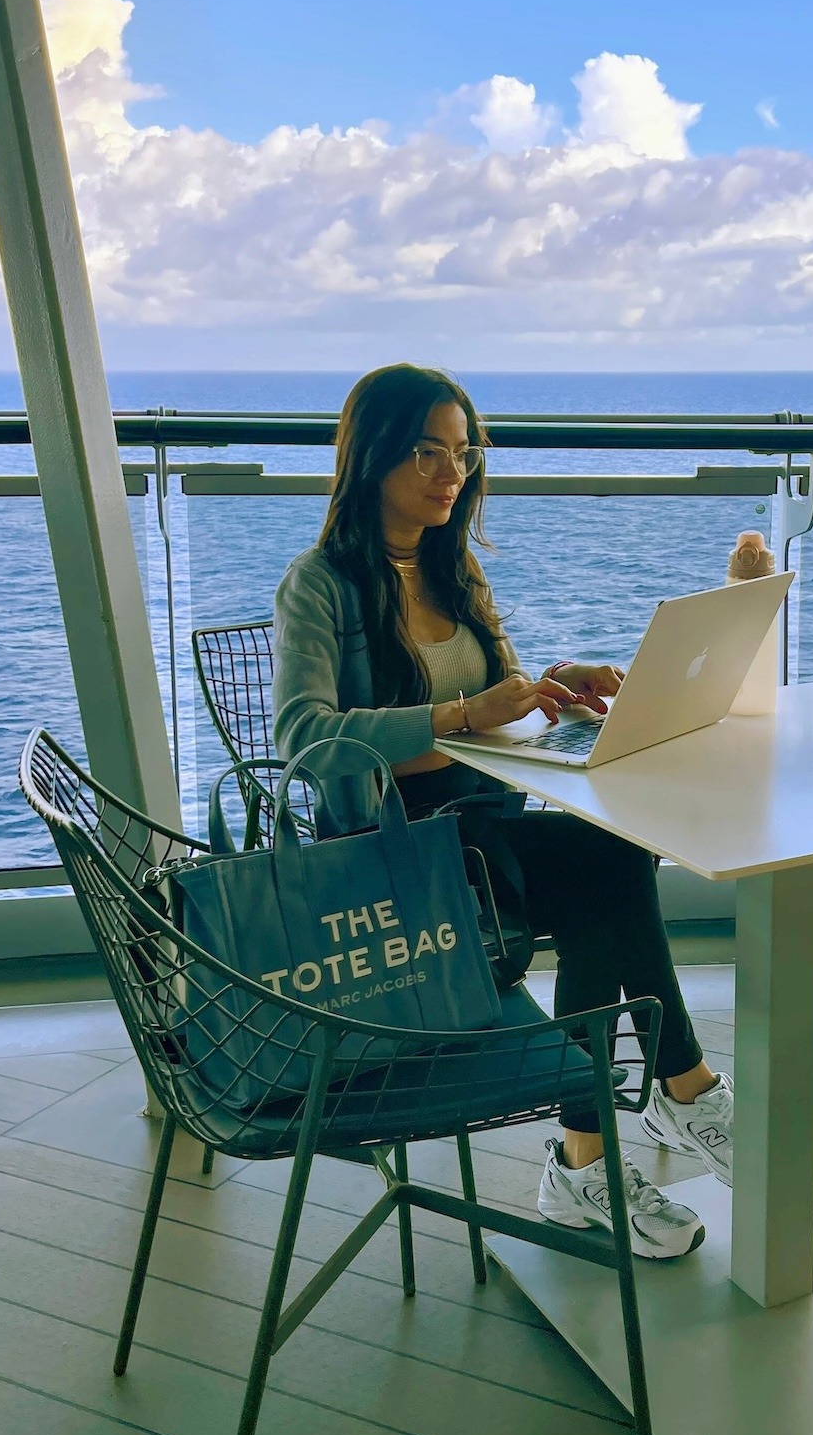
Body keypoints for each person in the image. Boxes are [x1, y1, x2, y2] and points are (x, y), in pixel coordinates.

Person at [272, 362, 733, 1260]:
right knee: (607, 866)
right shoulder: (320, 583)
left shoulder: (453, 568)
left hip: (478, 830)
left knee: (610, 856)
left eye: (464, 452)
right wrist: (460, 717)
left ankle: (602, 1148)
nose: (453, 474)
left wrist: (558, 682)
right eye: (427, 452)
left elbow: (496, 700)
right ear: (370, 458)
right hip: (394, 856)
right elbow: (304, 736)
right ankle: (671, 1096)